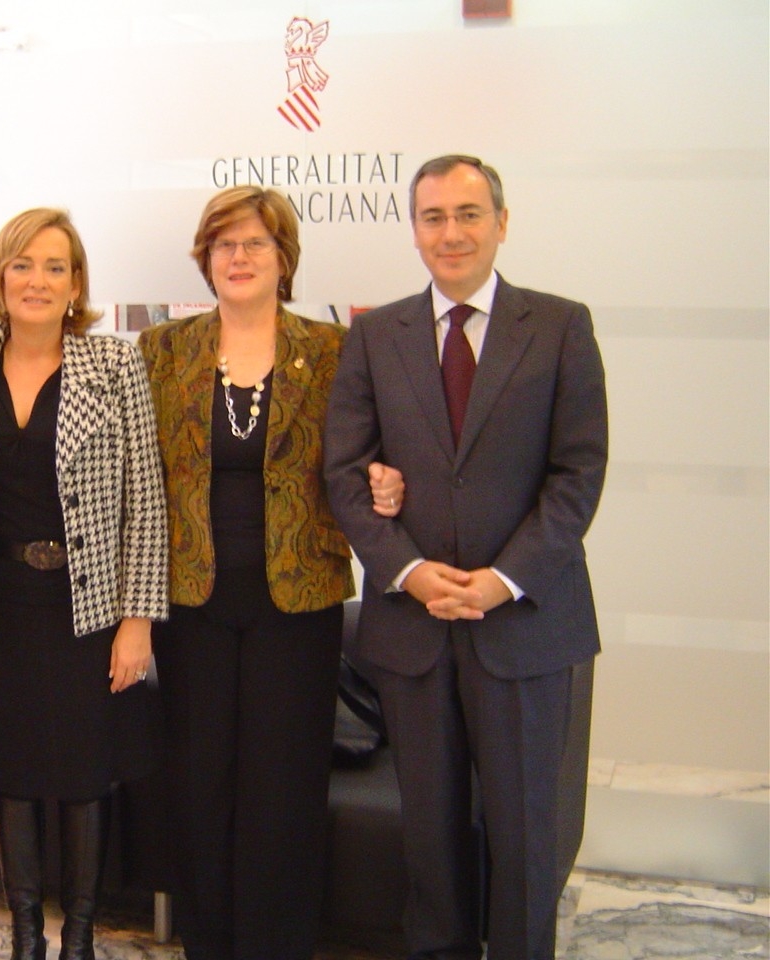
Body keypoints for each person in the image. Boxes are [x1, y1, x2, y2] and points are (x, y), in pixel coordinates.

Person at [324, 155, 608, 960]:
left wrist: (502, 580)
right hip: (413, 630)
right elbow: (346, 474)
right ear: (415, 231)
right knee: (430, 836)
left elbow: (577, 474)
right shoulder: (375, 335)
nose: (451, 232)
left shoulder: (559, 326)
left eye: (468, 213)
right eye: (434, 217)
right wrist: (411, 572)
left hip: (523, 625)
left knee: (524, 837)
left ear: (501, 223)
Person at [137, 185, 405, 960]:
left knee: (283, 790)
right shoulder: (163, 352)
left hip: (299, 601)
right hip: (191, 602)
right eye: (224, 244)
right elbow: (133, 477)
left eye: (256, 242)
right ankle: (209, 946)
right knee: (199, 787)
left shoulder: (335, 352)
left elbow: (371, 455)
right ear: (205, 258)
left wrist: (388, 480)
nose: (240, 256)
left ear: (284, 257)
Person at [0, 208, 169, 960]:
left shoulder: (115, 365)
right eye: (22, 264)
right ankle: (26, 935)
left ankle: (78, 939)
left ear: (76, 283)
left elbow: (146, 499)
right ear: (0, 276)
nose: (37, 280)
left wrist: (138, 620)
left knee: (88, 772)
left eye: (55, 267)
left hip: (88, 608)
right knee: (13, 770)